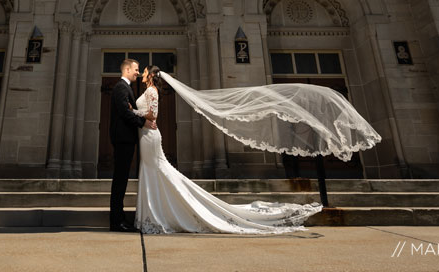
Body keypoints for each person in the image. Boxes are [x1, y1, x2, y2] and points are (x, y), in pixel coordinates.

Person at [130, 66, 325, 234]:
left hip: (150, 136)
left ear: (151, 75)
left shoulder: (152, 91)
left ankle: (163, 213)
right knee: (153, 172)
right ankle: (154, 213)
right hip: (146, 136)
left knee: (158, 171)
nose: (142, 73)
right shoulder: (148, 90)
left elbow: (152, 115)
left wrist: (132, 112)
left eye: (144, 71)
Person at [108, 58, 156, 232]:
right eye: (136, 69)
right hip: (122, 139)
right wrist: (143, 122)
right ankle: (116, 221)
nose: (137, 72)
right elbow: (124, 112)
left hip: (126, 139)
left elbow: (129, 111)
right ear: (127, 69)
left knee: (121, 180)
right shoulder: (121, 87)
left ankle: (119, 219)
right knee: (119, 181)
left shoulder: (126, 87)